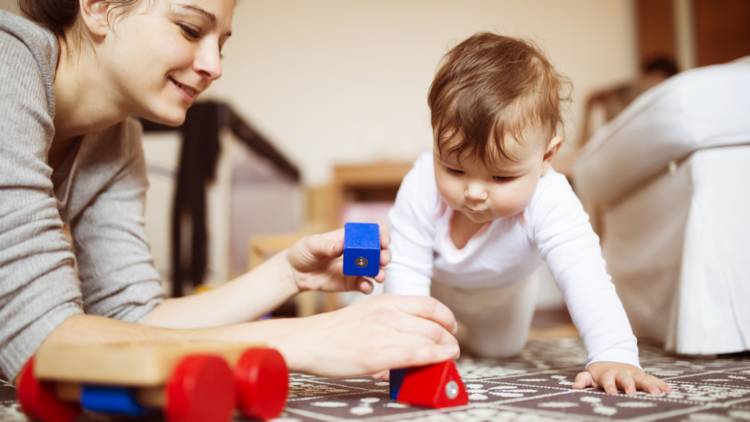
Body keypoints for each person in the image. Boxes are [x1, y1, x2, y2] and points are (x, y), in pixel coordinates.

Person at [0, 0, 460, 383]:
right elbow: (41, 341)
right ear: (99, 7)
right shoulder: (8, 63)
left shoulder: (118, 141)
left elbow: (129, 322)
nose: (213, 66)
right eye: (188, 29)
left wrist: (288, 276)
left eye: (221, 44)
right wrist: (305, 339)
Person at [384, 32, 671, 395]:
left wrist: (614, 353)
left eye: (501, 176)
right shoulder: (420, 182)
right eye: (454, 169)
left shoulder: (550, 196)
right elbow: (407, 267)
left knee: (499, 350)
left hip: (503, 294)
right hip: (434, 286)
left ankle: (466, 333)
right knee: (402, 317)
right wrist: (404, 343)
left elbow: (584, 274)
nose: (474, 193)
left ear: (546, 156)